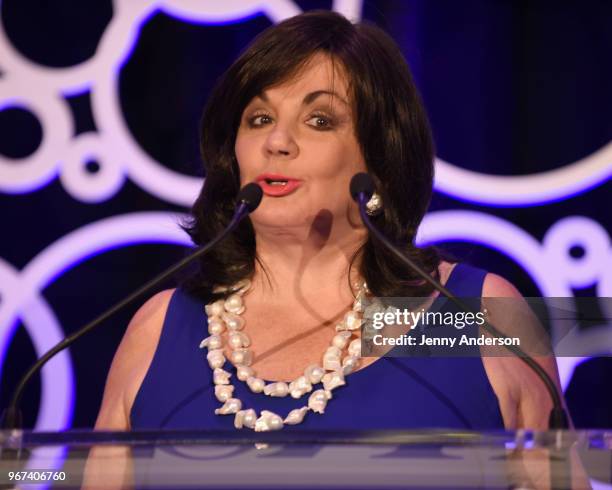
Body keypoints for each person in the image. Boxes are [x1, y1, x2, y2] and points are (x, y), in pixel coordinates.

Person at [94, 10, 564, 433]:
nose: (277, 141)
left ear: (379, 157)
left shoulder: (481, 317)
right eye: (258, 118)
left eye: (319, 120)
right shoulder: (158, 327)